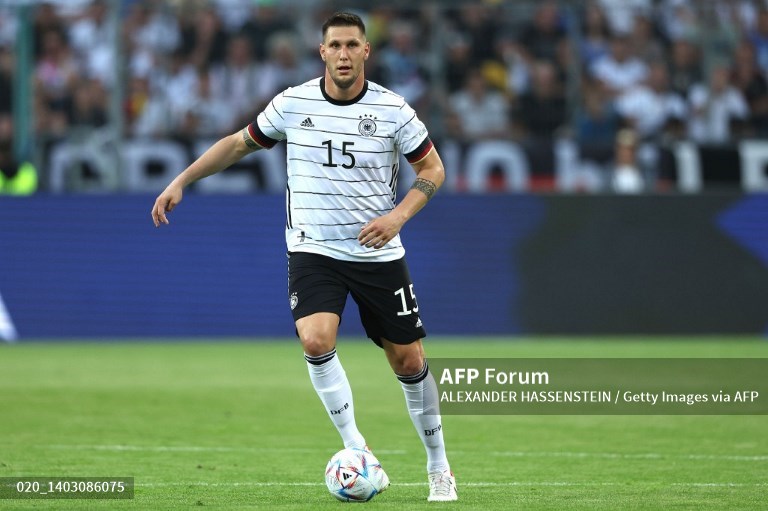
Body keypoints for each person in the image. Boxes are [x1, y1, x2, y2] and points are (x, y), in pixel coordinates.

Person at [150, 12, 457, 502]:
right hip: (313, 248)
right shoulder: (292, 104)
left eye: (352, 45)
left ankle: (439, 466)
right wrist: (182, 180)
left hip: (377, 253)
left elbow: (433, 169)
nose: (342, 54)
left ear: (365, 52)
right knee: (315, 340)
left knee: (408, 359)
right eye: (334, 45)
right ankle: (357, 448)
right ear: (322, 52)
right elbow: (237, 144)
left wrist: (398, 217)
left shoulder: (393, 110)